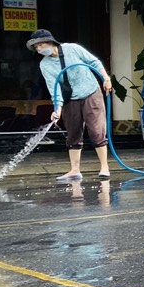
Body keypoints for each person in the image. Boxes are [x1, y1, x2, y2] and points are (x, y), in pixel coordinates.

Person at [28, 29, 113, 181]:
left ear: (50, 41)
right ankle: (74, 170)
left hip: (90, 92)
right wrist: (57, 109)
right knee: (73, 132)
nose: (39, 49)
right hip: (70, 98)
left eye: (40, 45)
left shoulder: (72, 49)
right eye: (36, 47)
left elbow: (94, 62)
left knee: (96, 130)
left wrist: (106, 78)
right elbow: (54, 88)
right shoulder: (45, 65)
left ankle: (104, 167)